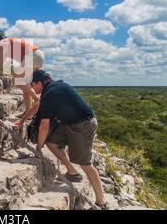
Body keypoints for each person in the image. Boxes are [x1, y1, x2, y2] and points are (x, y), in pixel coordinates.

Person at [19, 70, 108, 210]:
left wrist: (38, 148)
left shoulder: (50, 94)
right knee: (52, 141)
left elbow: (44, 125)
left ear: (39, 83)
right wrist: (23, 119)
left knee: (85, 163)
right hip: (71, 123)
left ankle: (101, 202)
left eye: (32, 85)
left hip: (83, 125)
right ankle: (72, 171)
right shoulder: (55, 87)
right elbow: (38, 106)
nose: (32, 89)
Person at [0, 33, 44, 119]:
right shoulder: (6, 44)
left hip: (32, 55)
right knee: (25, 86)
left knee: (17, 79)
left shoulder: (2, 44)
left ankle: (37, 100)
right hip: (38, 55)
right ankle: (28, 114)